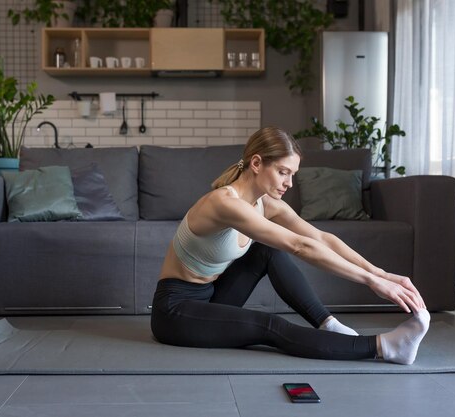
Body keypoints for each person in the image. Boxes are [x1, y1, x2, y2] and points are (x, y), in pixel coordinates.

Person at [150, 127, 430, 365]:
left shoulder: (265, 203)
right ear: (257, 163)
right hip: (176, 311)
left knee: (266, 251)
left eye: (292, 174)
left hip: (213, 296)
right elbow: (299, 246)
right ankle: (384, 347)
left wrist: (379, 273)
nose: (289, 183)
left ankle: (329, 325)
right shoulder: (224, 203)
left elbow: (320, 238)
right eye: (283, 172)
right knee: (268, 325)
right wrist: (370, 281)